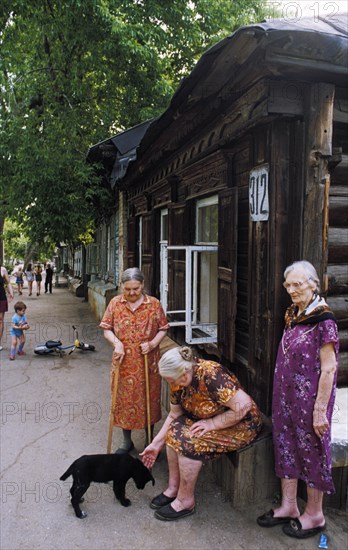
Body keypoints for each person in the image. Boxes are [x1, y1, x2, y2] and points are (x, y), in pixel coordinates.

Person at [257, 260, 339, 539]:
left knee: (312, 451)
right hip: (286, 398)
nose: (291, 290)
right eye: (288, 285)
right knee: (286, 445)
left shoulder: (324, 319)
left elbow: (329, 368)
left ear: (313, 285)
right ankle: (289, 506)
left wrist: (320, 411)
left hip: (311, 402)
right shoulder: (294, 312)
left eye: (297, 284)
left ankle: (315, 515)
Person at [140, 346, 262, 521]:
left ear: (183, 372)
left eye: (172, 380)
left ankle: (185, 501)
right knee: (174, 430)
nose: (171, 384)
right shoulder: (178, 380)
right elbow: (175, 415)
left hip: (241, 423)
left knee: (189, 442)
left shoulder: (211, 374)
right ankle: (174, 488)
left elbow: (243, 406)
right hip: (210, 418)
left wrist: (212, 423)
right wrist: (156, 444)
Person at [100, 267, 169, 453]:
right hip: (123, 362)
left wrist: (153, 343)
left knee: (149, 400)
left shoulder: (153, 304)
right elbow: (106, 328)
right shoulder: (115, 303)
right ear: (122, 286)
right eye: (127, 289)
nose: (131, 293)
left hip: (147, 361)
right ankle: (126, 442)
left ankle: (149, 442)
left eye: (136, 289)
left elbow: (163, 328)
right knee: (123, 401)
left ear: (142, 285)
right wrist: (117, 343)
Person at [0, 265, 14, 351]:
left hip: (1, 297)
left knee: (0, 320)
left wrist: (11, 293)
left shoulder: (2, 270)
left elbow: (8, 282)